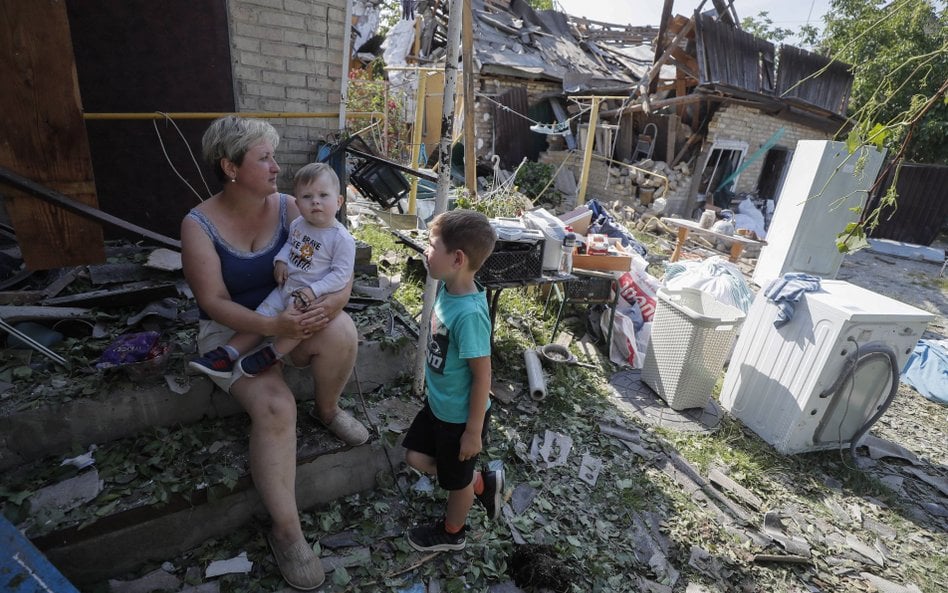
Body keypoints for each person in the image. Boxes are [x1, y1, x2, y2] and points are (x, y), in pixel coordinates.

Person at [180, 116, 368, 591]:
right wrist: (272, 327)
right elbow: (213, 303)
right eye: (264, 157)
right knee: (276, 406)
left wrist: (316, 310)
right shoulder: (198, 224)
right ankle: (287, 532)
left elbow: (339, 278)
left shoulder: (291, 208)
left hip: (291, 315)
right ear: (230, 167)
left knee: (342, 329)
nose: (276, 166)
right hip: (234, 330)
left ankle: (327, 410)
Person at [188, 162, 355, 379]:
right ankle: (226, 354)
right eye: (307, 197)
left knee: (300, 325)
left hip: (310, 298)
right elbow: (290, 246)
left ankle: (271, 354)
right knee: (262, 316)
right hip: (285, 288)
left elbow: (341, 275)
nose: (315, 201)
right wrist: (281, 262)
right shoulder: (299, 225)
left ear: (339, 201)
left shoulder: (341, 238)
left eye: (324, 195)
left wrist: (313, 291)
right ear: (298, 202)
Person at [402, 209, 505, 552]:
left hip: (460, 421)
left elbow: (482, 377)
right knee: (415, 457)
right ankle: (477, 482)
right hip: (438, 408)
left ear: (457, 258)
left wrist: (473, 432)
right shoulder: (448, 288)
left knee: (454, 484)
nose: (425, 251)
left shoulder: (470, 315)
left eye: (432, 246)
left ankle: (453, 533)